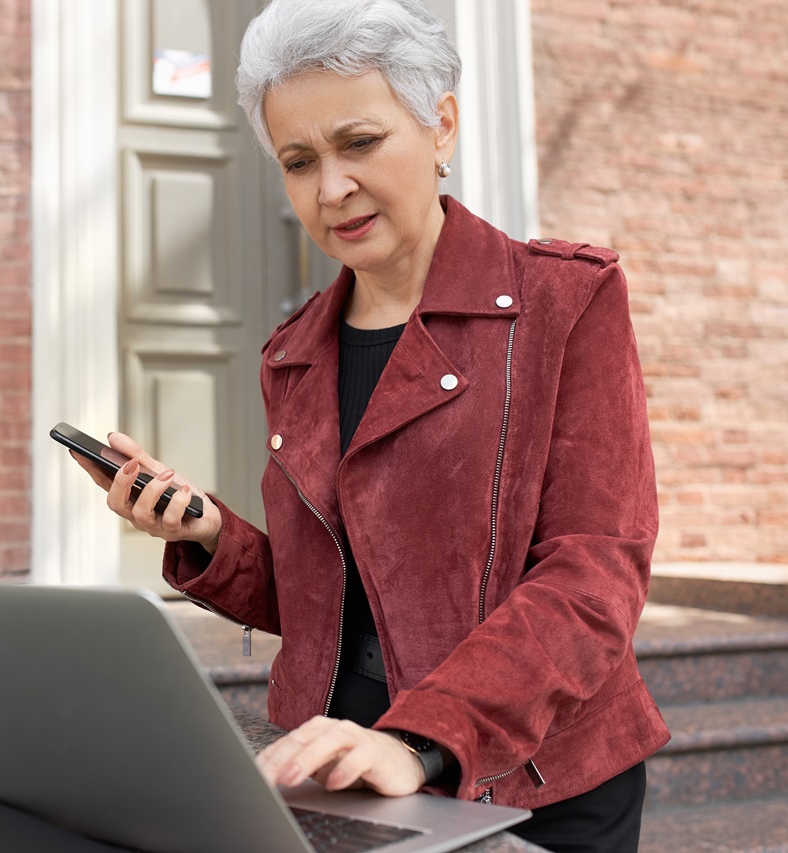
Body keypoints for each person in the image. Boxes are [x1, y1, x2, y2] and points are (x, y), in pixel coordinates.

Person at [69, 0, 669, 849]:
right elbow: (338, 598)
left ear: (441, 126)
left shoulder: (565, 303)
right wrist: (208, 534)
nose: (331, 189)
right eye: (298, 160)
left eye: (359, 143)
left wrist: (421, 735)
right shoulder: (294, 352)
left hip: (532, 778)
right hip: (344, 769)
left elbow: (594, 576)